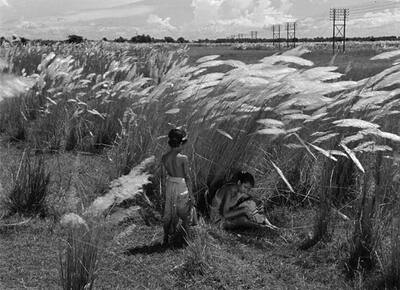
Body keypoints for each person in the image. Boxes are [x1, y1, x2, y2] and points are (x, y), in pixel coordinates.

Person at [209, 171, 277, 230]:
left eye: (248, 189)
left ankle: (269, 225)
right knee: (242, 219)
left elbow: (255, 202)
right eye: (245, 187)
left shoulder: (240, 191)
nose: (246, 190)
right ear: (239, 183)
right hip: (217, 219)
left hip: (227, 215)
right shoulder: (229, 190)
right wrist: (243, 210)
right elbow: (225, 214)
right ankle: (263, 227)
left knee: (251, 203)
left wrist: (267, 221)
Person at [161, 128, 194, 245]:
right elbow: (187, 177)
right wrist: (192, 194)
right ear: (181, 143)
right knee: (185, 213)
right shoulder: (183, 158)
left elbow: (164, 174)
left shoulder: (164, 157)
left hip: (170, 185)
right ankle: (187, 240)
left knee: (168, 211)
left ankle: (166, 237)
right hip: (181, 186)